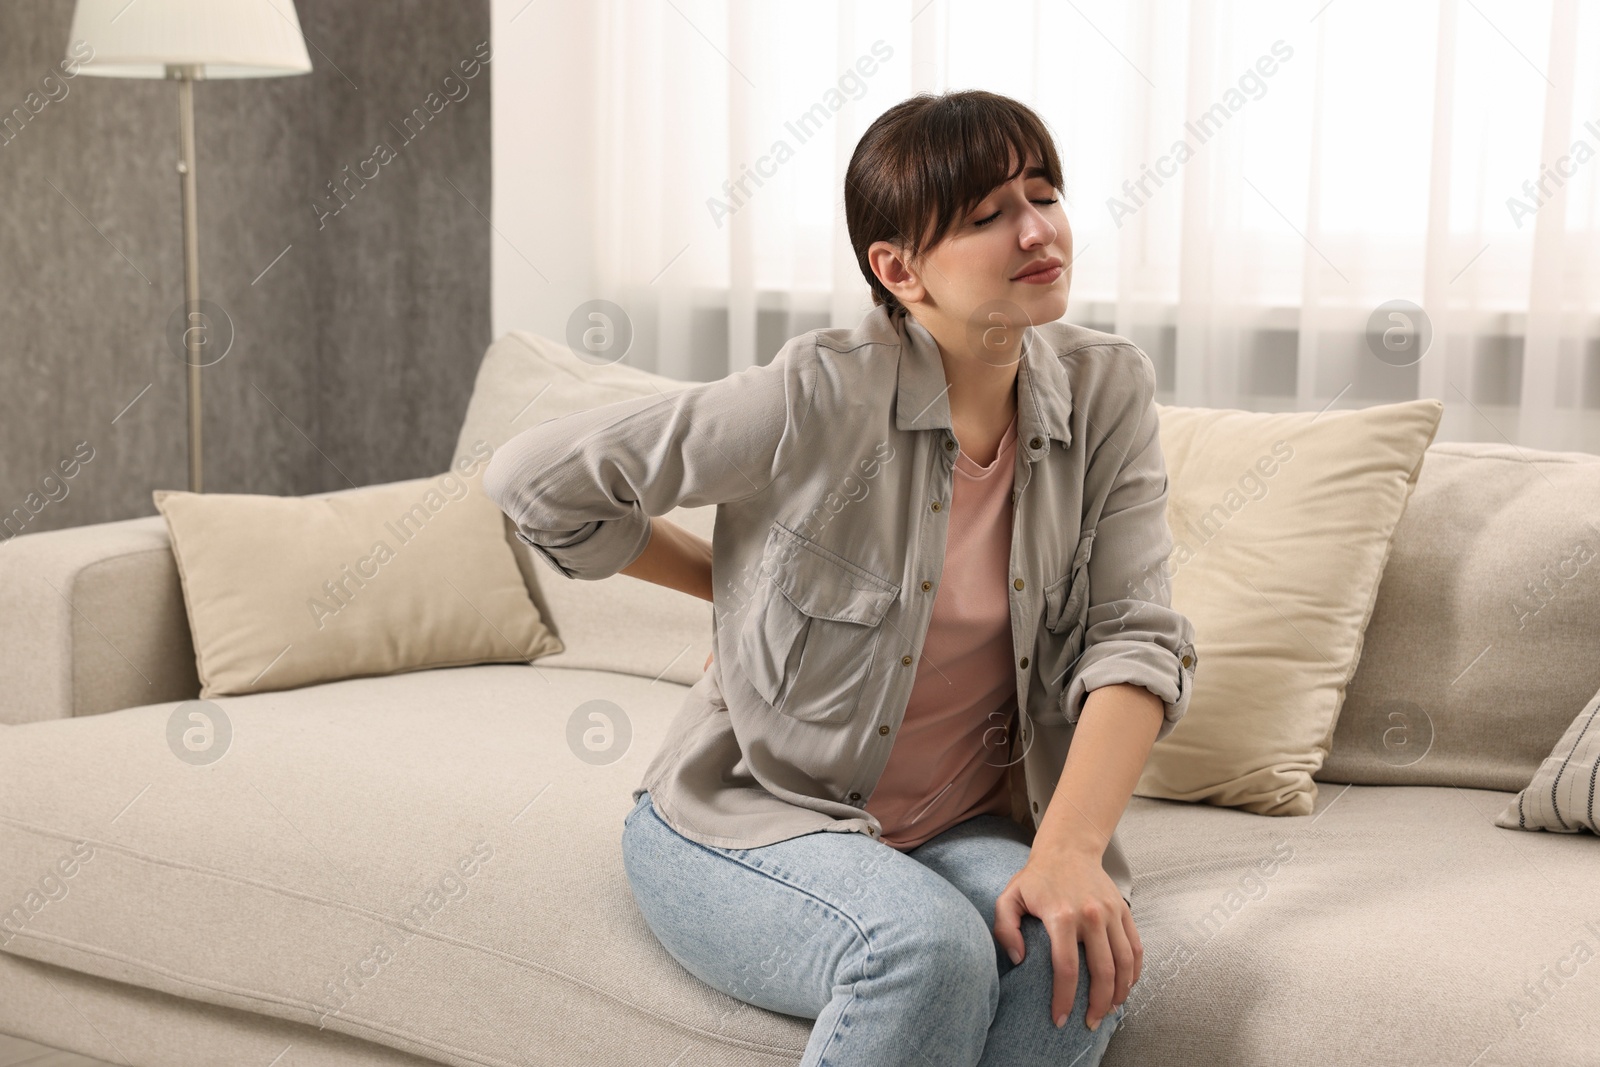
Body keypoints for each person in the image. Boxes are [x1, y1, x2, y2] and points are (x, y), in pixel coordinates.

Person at [483, 88, 1199, 1067]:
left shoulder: (1106, 391)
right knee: (926, 950)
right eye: (988, 215)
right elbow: (534, 480)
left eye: (1044, 192)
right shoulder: (813, 392)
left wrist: (1068, 849)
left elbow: (1134, 636)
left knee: (1061, 959)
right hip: (751, 812)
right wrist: (729, 592)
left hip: (959, 822)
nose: (1036, 229)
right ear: (899, 270)